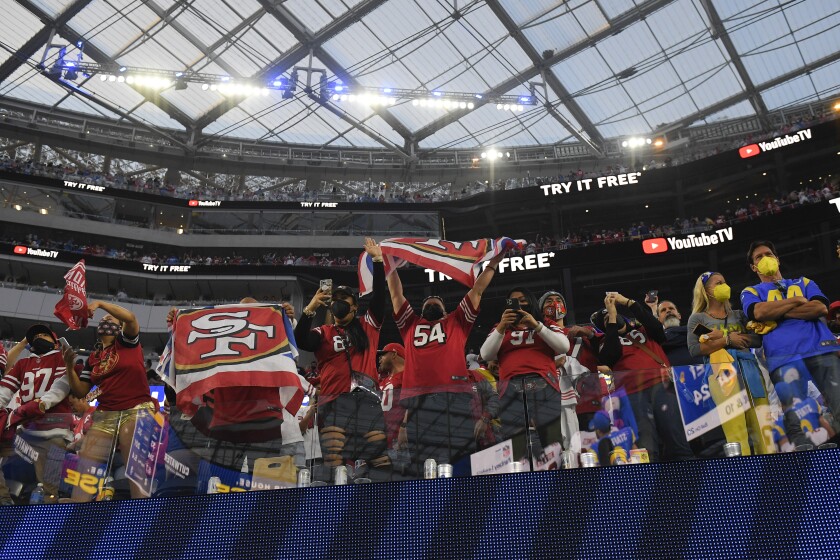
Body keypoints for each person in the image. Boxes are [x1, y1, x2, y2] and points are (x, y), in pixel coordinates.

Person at [387, 251, 506, 471]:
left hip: (454, 399)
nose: (431, 304)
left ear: (445, 311)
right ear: (421, 312)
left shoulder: (457, 321)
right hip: (419, 403)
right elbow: (396, 294)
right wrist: (387, 264)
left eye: (437, 303)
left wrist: (494, 263)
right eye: (427, 304)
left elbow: (477, 290)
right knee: (425, 466)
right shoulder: (410, 324)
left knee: (461, 461)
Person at [294, 238, 388, 472]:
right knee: (335, 461)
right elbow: (300, 341)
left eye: (343, 301)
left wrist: (377, 261)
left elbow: (379, 298)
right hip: (333, 401)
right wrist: (311, 308)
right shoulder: (323, 332)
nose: (338, 304)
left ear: (354, 306)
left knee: (378, 459)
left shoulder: (368, 325)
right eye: (334, 301)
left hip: (366, 398)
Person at [64, 301, 158, 501]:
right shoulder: (94, 358)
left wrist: (100, 304)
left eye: (110, 318)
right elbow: (81, 390)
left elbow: (130, 318)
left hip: (136, 409)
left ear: (119, 326)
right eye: (103, 319)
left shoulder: (127, 343)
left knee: (134, 467)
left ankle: (141, 514)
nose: (105, 319)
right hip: (106, 414)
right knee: (85, 468)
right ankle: (76, 514)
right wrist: (68, 366)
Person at [740, 241, 840, 426]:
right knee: (801, 422)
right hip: (783, 358)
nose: (765, 258)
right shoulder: (751, 291)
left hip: (821, 350)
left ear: (777, 259)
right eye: (759, 257)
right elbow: (759, 312)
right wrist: (798, 300)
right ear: (754, 267)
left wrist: (777, 314)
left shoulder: (805, 282)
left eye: (768, 254)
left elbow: (819, 308)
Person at [688, 271, 774, 455]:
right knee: (735, 429)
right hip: (721, 373)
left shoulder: (739, 314)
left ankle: (771, 471)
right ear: (705, 291)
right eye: (717, 283)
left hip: (749, 369)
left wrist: (729, 340)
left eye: (724, 281)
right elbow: (694, 349)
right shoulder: (698, 318)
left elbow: (758, 339)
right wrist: (728, 340)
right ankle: (744, 475)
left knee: (763, 426)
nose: (723, 286)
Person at [480, 287, 570, 463]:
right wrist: (501, 325)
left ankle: (560, 484)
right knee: (515, 444)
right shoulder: (500, 328)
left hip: (544, 385)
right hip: (511, 389)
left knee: (551, 441)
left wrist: (536, 325)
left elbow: (563, 347)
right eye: (514, 301)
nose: (519, 303)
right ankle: (520, 485)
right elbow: (486, 354)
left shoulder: (546, 323)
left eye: (523, 299)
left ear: (531, 301)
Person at [0, 325, 74, 505]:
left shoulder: (61, 358)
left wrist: (40, 405)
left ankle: (48, 518)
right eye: (37, 336)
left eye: (45, 335)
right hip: (25, 428)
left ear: (55, 342)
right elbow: (5, 391)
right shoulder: (22, 364)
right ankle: (4, 501)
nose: (39, 337)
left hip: (54, 428)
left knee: (49, 486)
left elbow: (60, 388)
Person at [592, 292, 669, 462]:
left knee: (676, 441)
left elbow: (657, 328)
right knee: (648, 448)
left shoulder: (644, 330)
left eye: (613, 315)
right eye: (605, 321)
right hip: (636, 394)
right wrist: (611, 316)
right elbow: (610, 355)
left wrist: (627, 302)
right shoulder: (606, 341)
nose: (610, 318)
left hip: (663, 386)